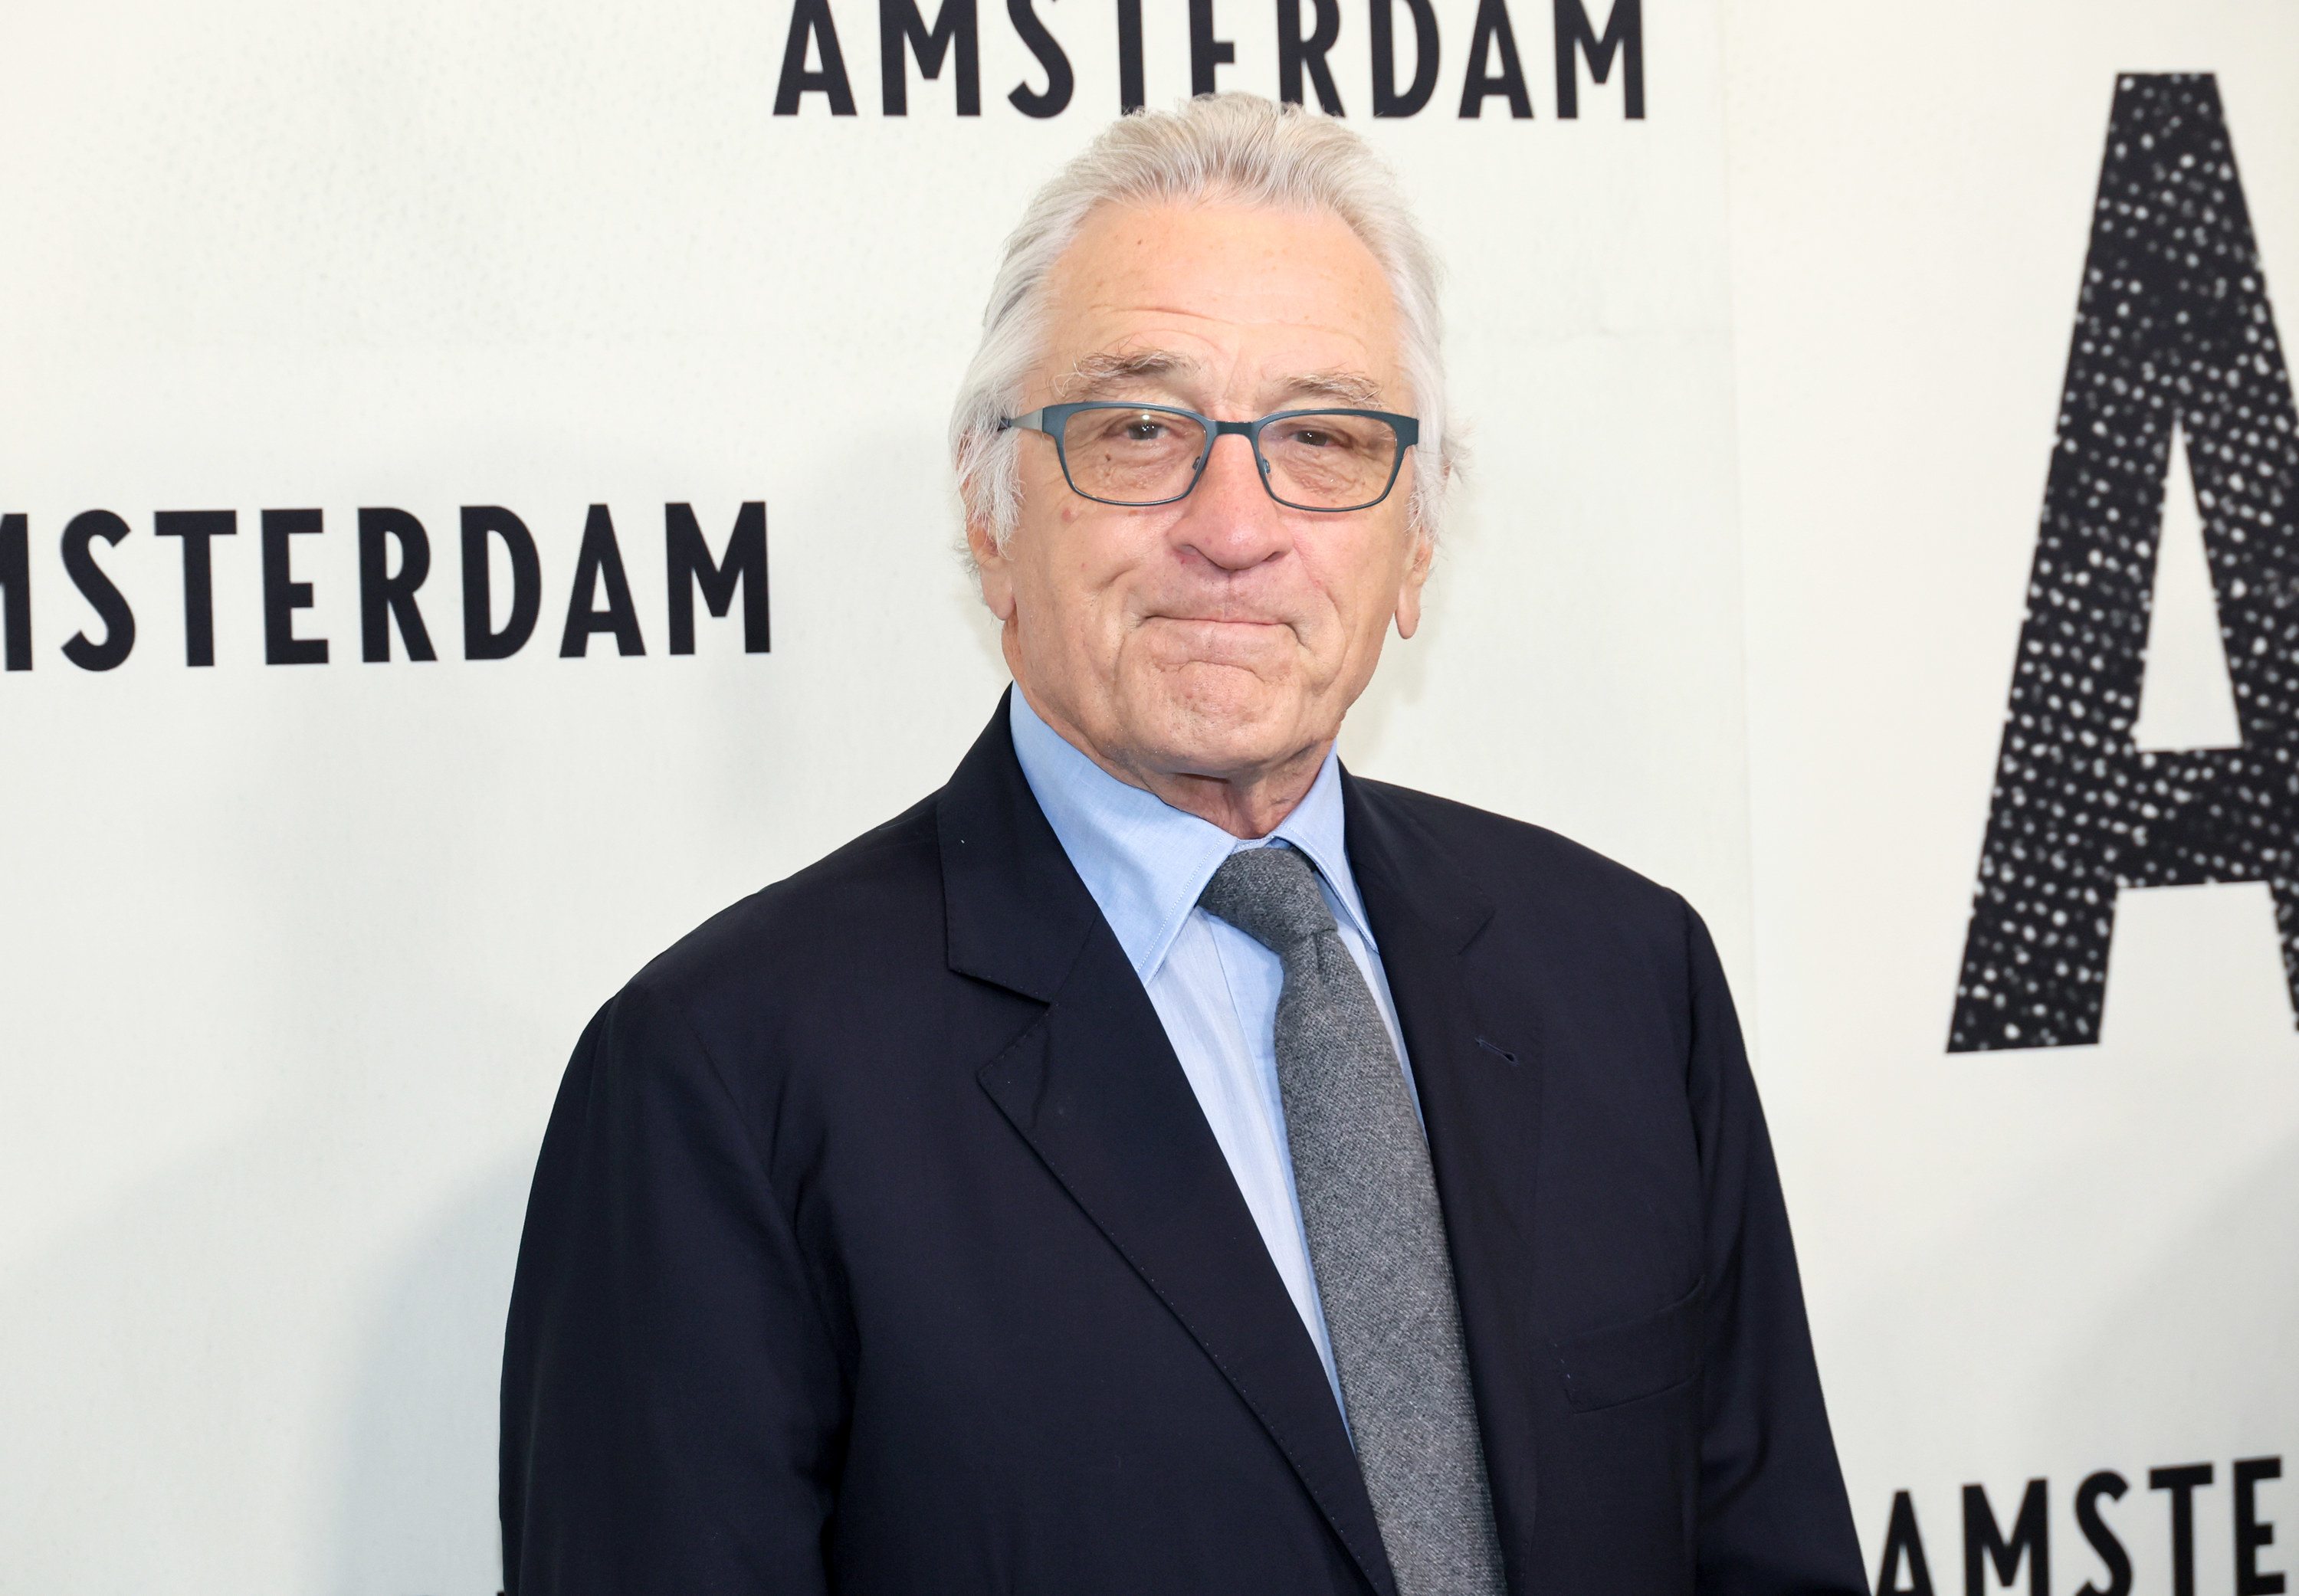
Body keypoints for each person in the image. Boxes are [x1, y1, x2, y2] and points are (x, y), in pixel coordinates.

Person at [500, 94, 1866, 1595]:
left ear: (1417, 541)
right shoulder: (722, 1079)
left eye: (1325, 437)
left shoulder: (1626, 976)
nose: (1235, 525)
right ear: (989, 508)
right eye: (1141, 429)